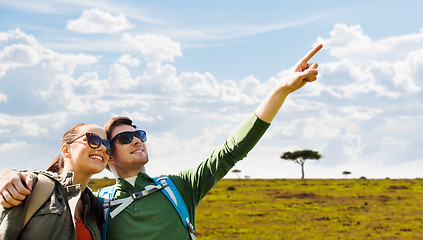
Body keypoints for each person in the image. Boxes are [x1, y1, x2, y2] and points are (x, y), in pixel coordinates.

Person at [0, 44, 323, 239]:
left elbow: (231, 150)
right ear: (110, 157)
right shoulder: (97, 204)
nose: (137, 141)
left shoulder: (177, 187)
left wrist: (281, 89)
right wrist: (8, 175)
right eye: (125, 139)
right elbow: (54, 194)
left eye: (139, 134)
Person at [0, 123, 111, 239]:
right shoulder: (29, 185)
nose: (103, 148)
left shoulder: (95, 208)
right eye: (93, 140)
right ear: (66, 150)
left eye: (107, 145)